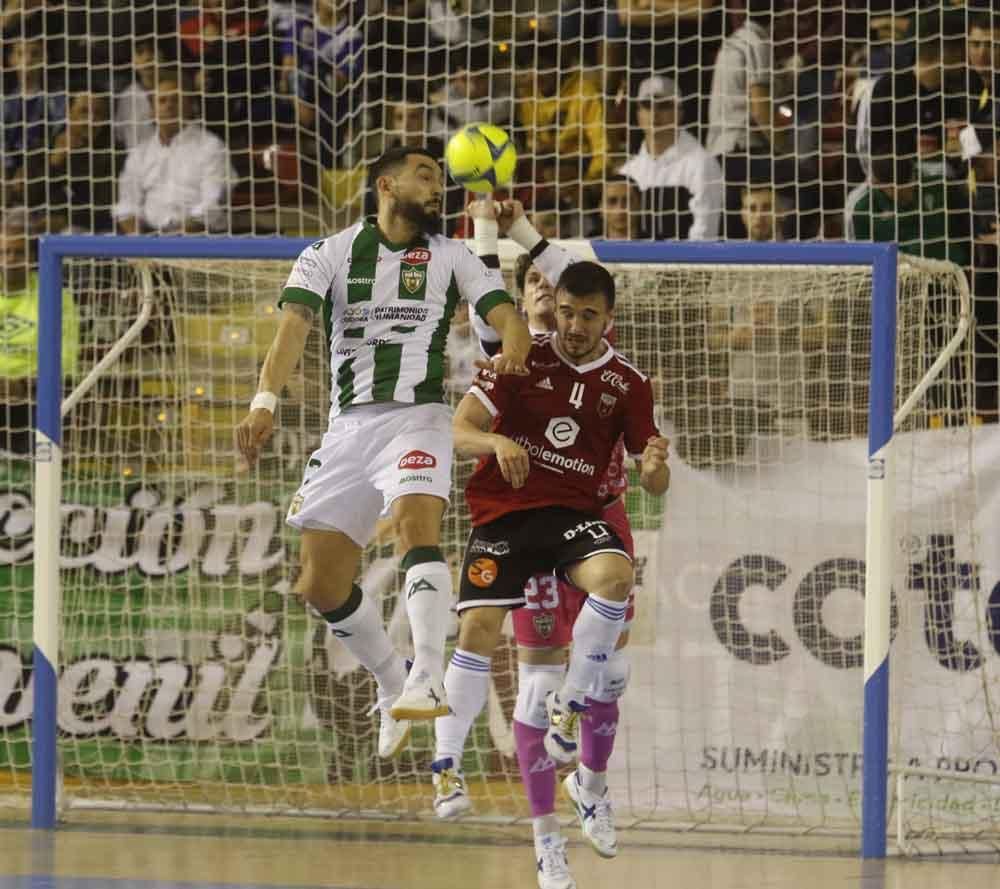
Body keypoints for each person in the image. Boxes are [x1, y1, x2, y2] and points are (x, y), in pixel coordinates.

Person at [234, 145, 532, 760]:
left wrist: (516, 354)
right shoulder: (330, 253)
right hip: (348, 429)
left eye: (439, 178)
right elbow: (293, 328)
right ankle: (393, 680)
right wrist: (265, 400)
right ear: (386, 184)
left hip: (419, 417)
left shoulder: (450, 256)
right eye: (425, 175)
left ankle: (428, 674)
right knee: (319, 584)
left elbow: (511, 319)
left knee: (418, 527)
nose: (435, 186)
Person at [431, 212, 668, 888]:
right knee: (534, 684)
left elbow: (651, 469)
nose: (561, 312)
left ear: (604, 313)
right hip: (516, 512)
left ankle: (591, 782)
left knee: (609, 677)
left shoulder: (623, 375)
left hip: (591, 512)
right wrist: (487, 224)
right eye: (538, 289)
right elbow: (466, 417)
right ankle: (542, 838)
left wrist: (653, 465)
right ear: (528, 298)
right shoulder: (511, 345)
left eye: (566, 296)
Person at [113, 68, 236, 235]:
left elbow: (213, 204)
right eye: (162, 101)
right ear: (152, 112)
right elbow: (127, 205)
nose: (169, 106)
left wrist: (176, 241)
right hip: (148, 240)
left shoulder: (211, 146)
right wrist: (140, 244)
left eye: (176, 100)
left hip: (200, 239)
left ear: (191, 106)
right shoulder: (140, 152)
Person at [0, 209, 78, 455]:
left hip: (36, 394)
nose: (10, 259)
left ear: (33, 255)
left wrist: (24, 384)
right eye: (3, 252)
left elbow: (66, 357)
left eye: (18, 252)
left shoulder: (55, 294)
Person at [619, 75, 723, 241]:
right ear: (638, 113)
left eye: (664, 105)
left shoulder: (701, 164)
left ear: (679, 112)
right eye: (647, 105)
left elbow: (704, 232)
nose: (655, 113)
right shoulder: (629, 170)